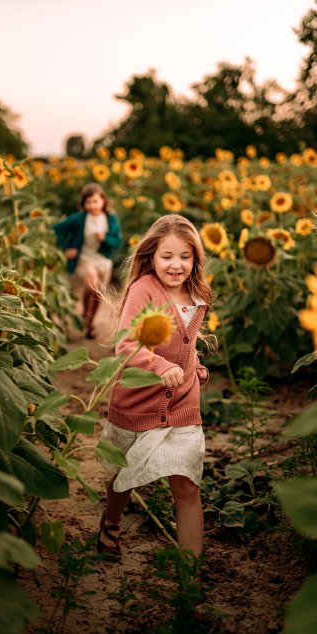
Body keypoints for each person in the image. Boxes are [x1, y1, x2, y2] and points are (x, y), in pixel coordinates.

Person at [97, 214, 214, 560]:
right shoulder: (143, 289)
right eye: (167, 256)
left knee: (187, 487)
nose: (176, 265)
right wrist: (160, 366)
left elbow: (184, 345)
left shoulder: (196, 294)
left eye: (185, 257)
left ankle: (188, 582)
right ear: (151, 256)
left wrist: (194, 369)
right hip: (138, 401)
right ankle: (112, 522)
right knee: (124, 477)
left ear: (195, 259)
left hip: (182, 405)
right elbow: (127, 343)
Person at [52, 183, 122, 339]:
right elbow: (57, 229)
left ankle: (90, 323)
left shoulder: (110, 218)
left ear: (103, 200)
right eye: (88, 202)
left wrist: (105, 239)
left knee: (98, 293)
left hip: (104, 261)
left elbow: (117, 242)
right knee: (92, 283)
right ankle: (85, 315)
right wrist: (66, 248)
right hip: (84, 259)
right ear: (83, 204)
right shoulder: (79, 218)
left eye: (95, 201)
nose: (92, 206)